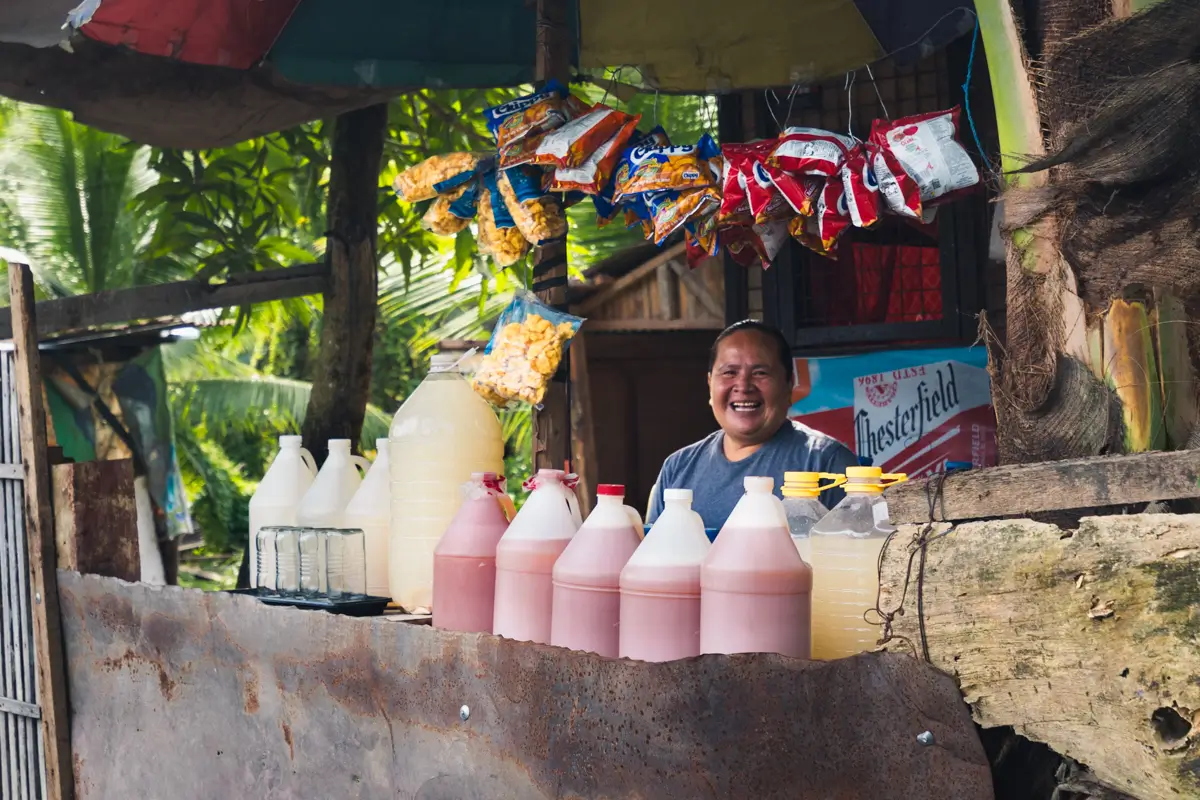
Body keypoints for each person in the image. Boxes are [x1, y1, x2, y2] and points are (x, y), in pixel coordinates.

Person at [646, 320, 858, 529]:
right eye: (729, 372)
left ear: (788, 384)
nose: (743, 386)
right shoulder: (678, 468)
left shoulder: (827, 463)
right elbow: (653, 558)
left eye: (760, 373)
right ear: (710, 383)